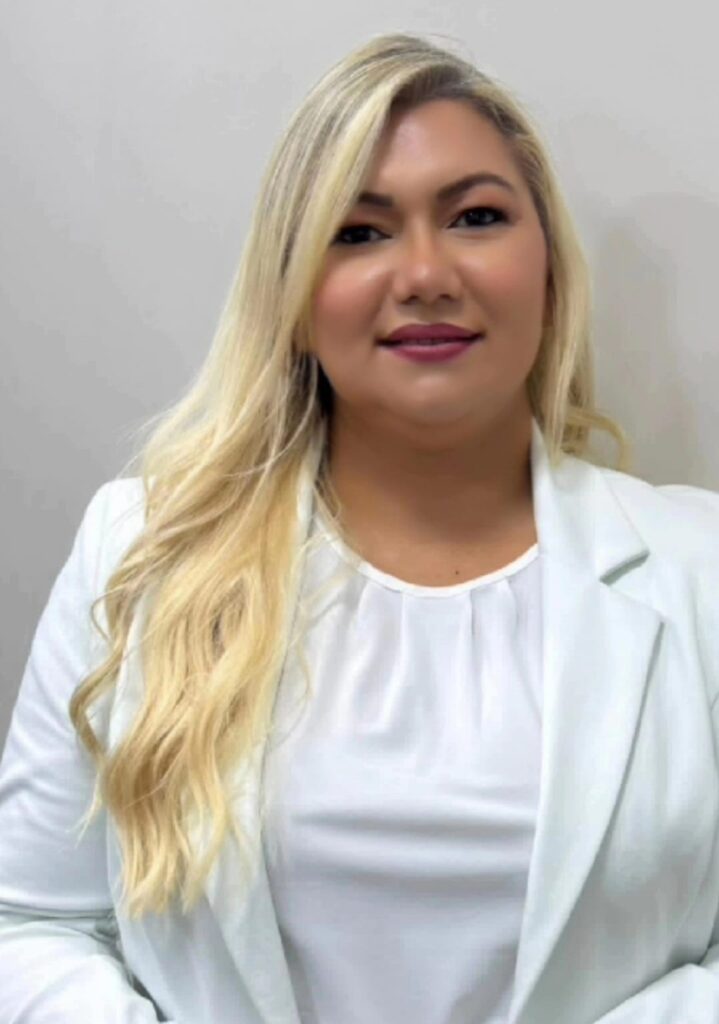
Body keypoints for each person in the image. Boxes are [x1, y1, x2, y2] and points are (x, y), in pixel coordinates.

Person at [1, 29, 719, 1024]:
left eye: (475, 217)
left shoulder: (699, 570)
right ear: (293, 296)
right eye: (358, 230)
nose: (424, 273)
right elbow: (29, 922)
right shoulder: (141, 551)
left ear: (548, 271)